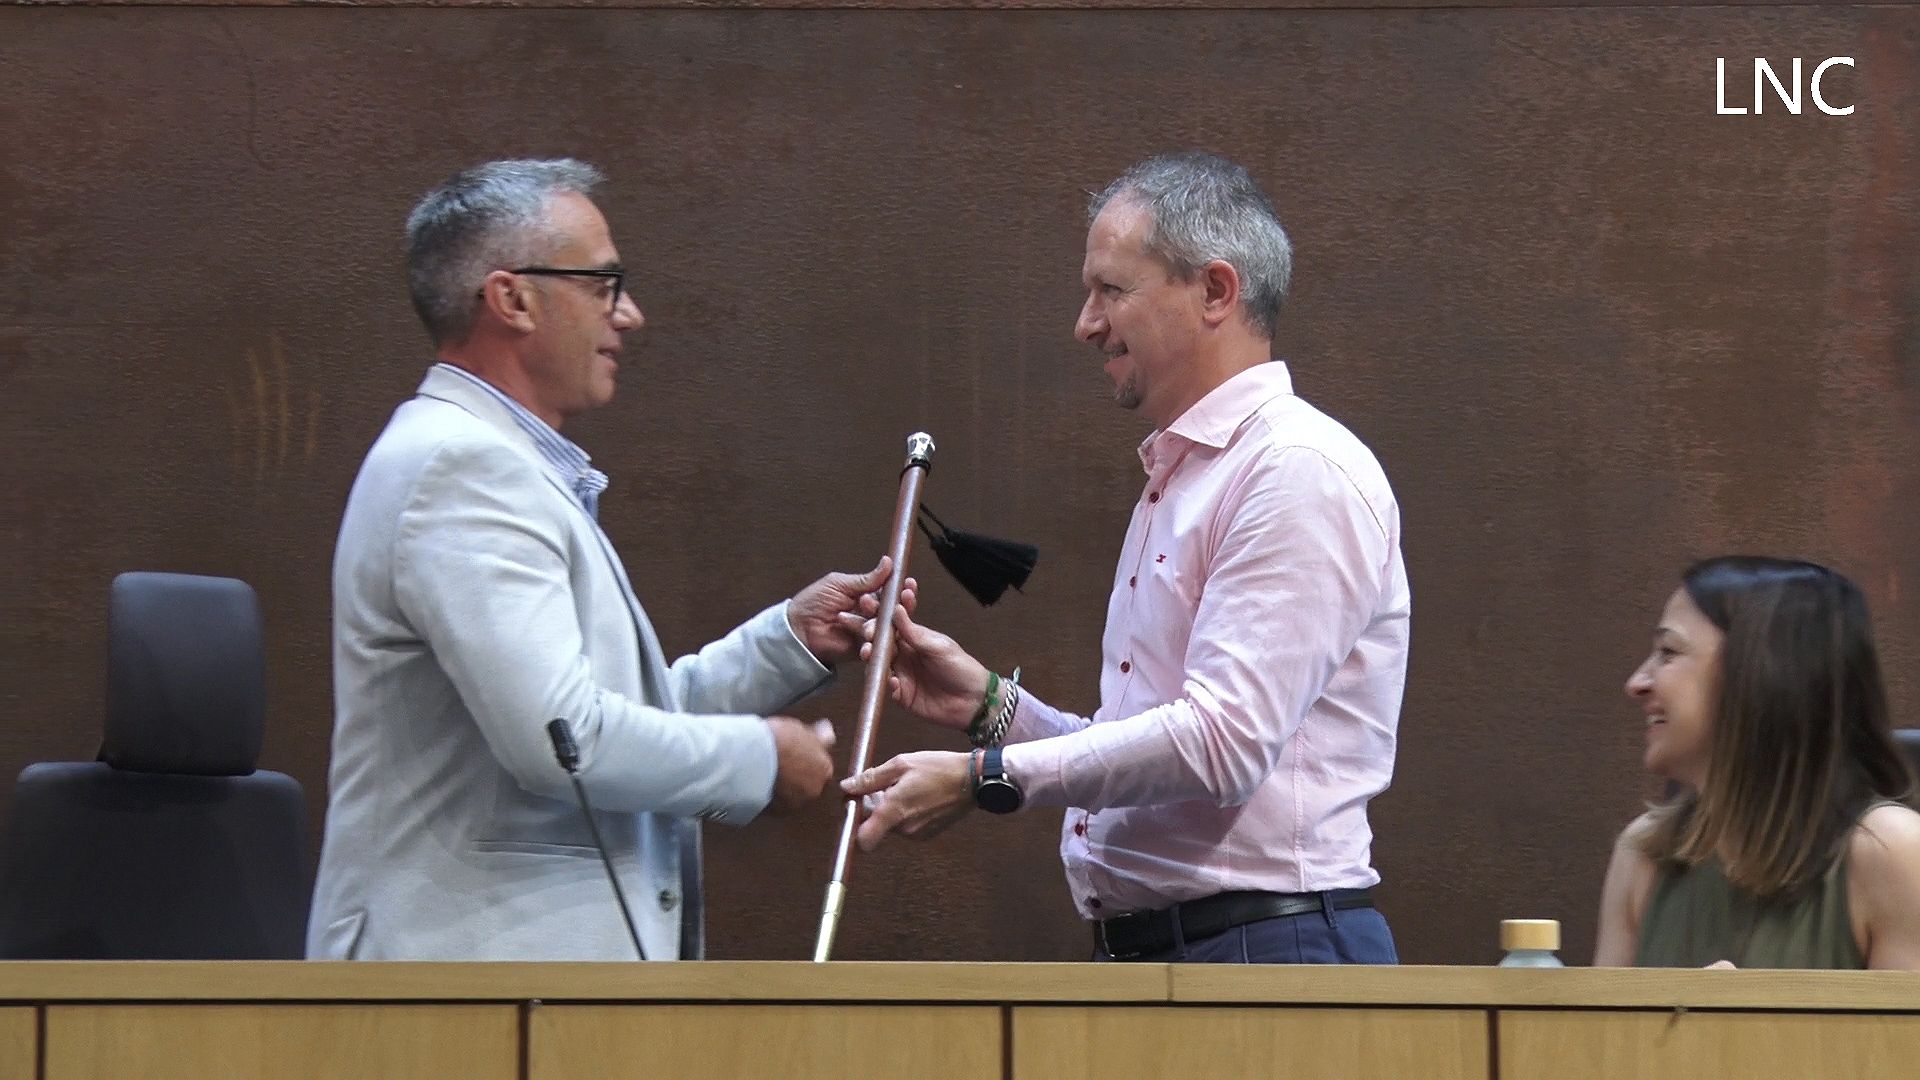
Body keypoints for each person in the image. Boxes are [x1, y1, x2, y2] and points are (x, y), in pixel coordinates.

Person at [309, 158, 903, 961]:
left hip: (522, 999)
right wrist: (758, 760)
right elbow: (565, 739)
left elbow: (600, 718)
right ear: (511, 297)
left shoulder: (499, 464)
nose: (630, 315)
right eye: (604, 285)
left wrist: (785, 644)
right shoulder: (462, 468)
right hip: (465, 1002)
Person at [841, 151, 1410, 964]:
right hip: (1190, 953)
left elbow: (1219, 745)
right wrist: (994, 710)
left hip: (1266, 954)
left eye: (1112, 290)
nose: (1086, 323)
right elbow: (1156, 751)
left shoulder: (1295, 469)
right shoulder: (1189, 476)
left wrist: (985, 776)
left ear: (1216, 291)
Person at [1594, 556, 1920, 969]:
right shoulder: (1644, 852)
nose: (1637, 683)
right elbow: (1601, 1036)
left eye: (1668, 652)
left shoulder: (1892, 853)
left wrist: (1742, 1029)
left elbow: (1902, 1037)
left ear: (1759, 673)